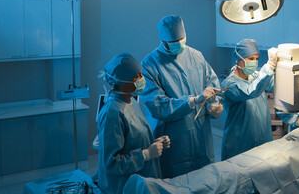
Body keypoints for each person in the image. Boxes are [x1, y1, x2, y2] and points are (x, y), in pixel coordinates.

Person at [140, 15, 223, 178]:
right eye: (175, 42)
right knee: (175, 182)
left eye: (182, 39)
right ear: (163, 41)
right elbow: (157, 105)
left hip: (201, 136)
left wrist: (214, 105)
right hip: (174, 138)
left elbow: (212, 82)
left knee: (204, 179)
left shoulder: (196, 56)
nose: (180, 44)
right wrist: (193, 101)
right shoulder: (150, 64)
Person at [97, 52, 170, 194]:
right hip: (123, 187)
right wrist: (146, 154)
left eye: (141, 74)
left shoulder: (131, 102)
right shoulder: (112, 113)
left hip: (140, 181)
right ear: (123, 83)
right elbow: (111, 163)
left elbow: (132, 141)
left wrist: (154, 143)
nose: (142, 79)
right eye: (137, 76)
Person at [220, 39, 278, 160]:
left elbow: (275, 84)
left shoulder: (255, 76)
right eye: (251, 59)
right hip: (240, 145)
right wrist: (269, 66)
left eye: (257, 58)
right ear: (239, 60)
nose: (255, 62)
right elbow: (251, 91)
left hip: (262, 141)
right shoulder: (230, 84)